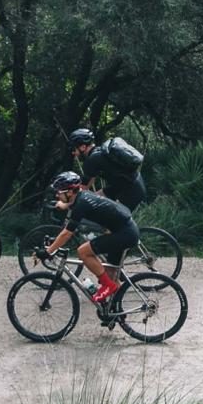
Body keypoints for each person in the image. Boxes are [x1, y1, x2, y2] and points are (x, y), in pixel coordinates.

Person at [35, 171, 139, 303]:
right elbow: (75, 205)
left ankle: (109, 286)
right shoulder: (82, 196)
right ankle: (114, 311)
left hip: (124, 234)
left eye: (59, 192)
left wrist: (48, 251)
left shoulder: (81, 204)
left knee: (83, 251)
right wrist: (64, 205)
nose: (57, 194)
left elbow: (67, 233)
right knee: (109, 274)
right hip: (124, 230)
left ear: (70, 192)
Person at [67, 127, 146, 210]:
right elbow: (87, 189)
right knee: (94, 202)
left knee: (110, 218)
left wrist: (66, 202)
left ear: (83, 147)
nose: (73, 153)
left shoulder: (91, 160)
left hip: (131, 190)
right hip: (125, 185)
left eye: (74, 149)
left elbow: (82, 189)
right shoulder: (98, 153)